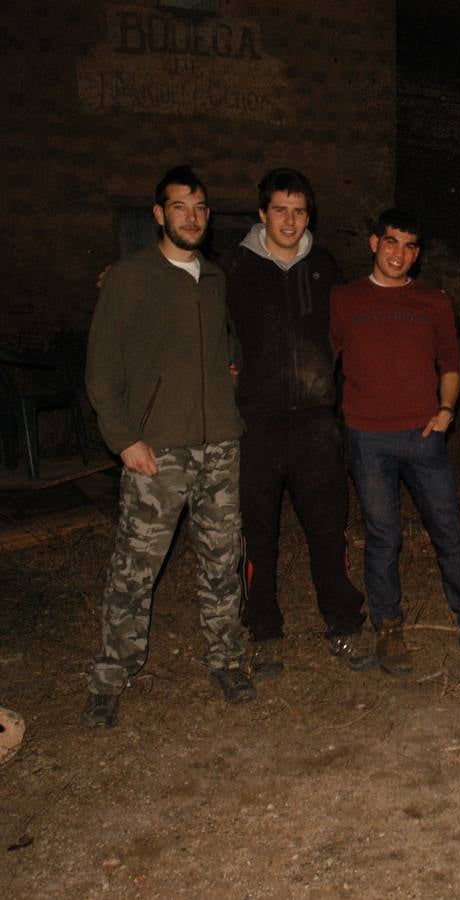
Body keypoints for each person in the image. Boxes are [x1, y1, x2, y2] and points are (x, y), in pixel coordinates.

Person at [82, 165, 253, 728]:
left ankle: (226, 657)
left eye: (201, 207)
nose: (193, 216)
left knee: (223, 563)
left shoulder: (215, 278)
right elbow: (102, 369)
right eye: (181, 206)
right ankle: (111, 676)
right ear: (159, 214)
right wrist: (125, 438)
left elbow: (227, 344)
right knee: (135, 568)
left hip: (219, 446)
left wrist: (230, 379)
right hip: (158, 450)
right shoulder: (130, 278)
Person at [330, 209, 460, 675]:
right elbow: (320, 361)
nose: (399, 253)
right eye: (391, 242)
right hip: (367, 438)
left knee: (449, 531)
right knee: (384, 537)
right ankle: (389, 629)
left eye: (410, 246)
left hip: (423, 437)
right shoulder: (345, 299)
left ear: (418, 254)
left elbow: (450, 360)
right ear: (374, 243)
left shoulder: (433, 302)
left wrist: (446, 411)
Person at [222, 168, 372, 679]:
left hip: (315, 423)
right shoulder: (235, 268)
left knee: (328, 530)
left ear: (310, 216)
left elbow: (354, 326)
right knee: (256, 533)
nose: (290, 220)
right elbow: (205, 323)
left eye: (300, 210)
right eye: (280, 209)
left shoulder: (324, 267)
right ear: (262, 213)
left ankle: (344, 625)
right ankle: (263, 630)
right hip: (255, 421)